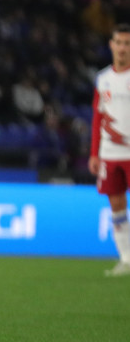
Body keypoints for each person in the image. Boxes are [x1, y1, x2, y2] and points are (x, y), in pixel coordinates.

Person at [89, 23, 130, 277]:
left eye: (127, 43)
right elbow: (97, 117)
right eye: (119, 43)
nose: (123, 48)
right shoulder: (103, 78)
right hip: (110, 153)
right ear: (111, 45)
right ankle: (126, 260)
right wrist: (94, 152)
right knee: (116, 206)